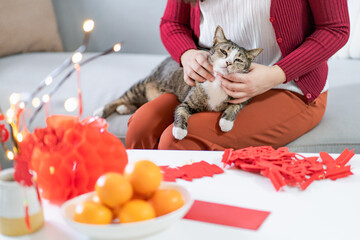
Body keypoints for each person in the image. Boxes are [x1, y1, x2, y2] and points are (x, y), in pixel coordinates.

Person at [125, 0, 350, 150]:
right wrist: (187, 53)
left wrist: (275, 75)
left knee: (175, 142)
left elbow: (336, 28)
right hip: (209, 84)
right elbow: (172, 23)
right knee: (141, 128)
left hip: (288, 84)